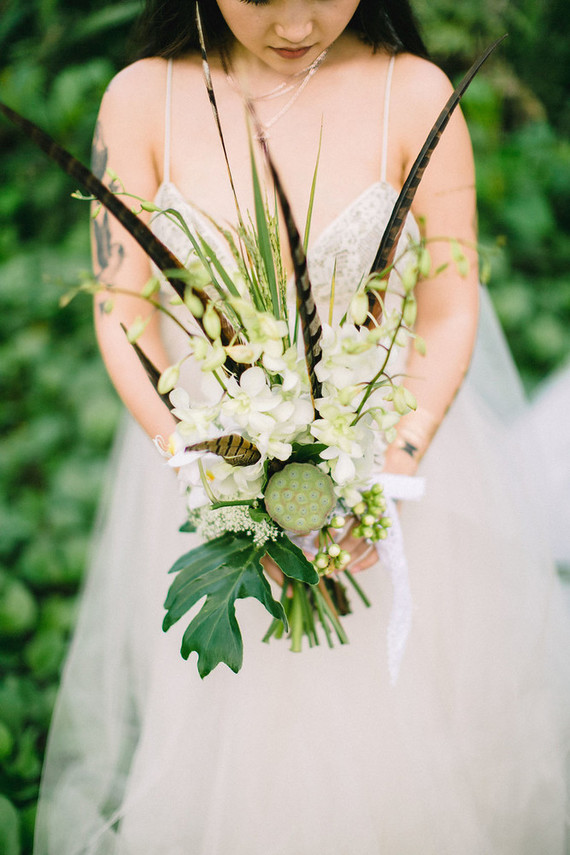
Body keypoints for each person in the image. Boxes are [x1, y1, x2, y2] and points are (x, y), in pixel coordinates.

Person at [34, 1, 570, 853]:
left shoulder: (415, 94)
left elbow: (448, 306)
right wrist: (210, 468)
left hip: (395, 470)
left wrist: (384, 476)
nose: (295, 24)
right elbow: (122, 310)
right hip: (204, 468)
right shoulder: (141, 100)